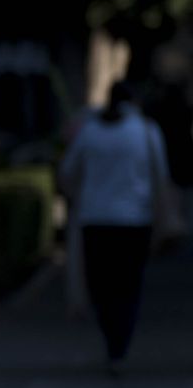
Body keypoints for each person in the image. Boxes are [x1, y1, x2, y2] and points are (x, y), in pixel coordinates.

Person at [60, 81, 172, 372]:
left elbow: (67, 172)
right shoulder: (147, 132)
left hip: (95, 219)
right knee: (129, 285)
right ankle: (119, 344)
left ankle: (112, 337)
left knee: (101, 284)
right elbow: (161, 174)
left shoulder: (90, 132)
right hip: (134, 220)